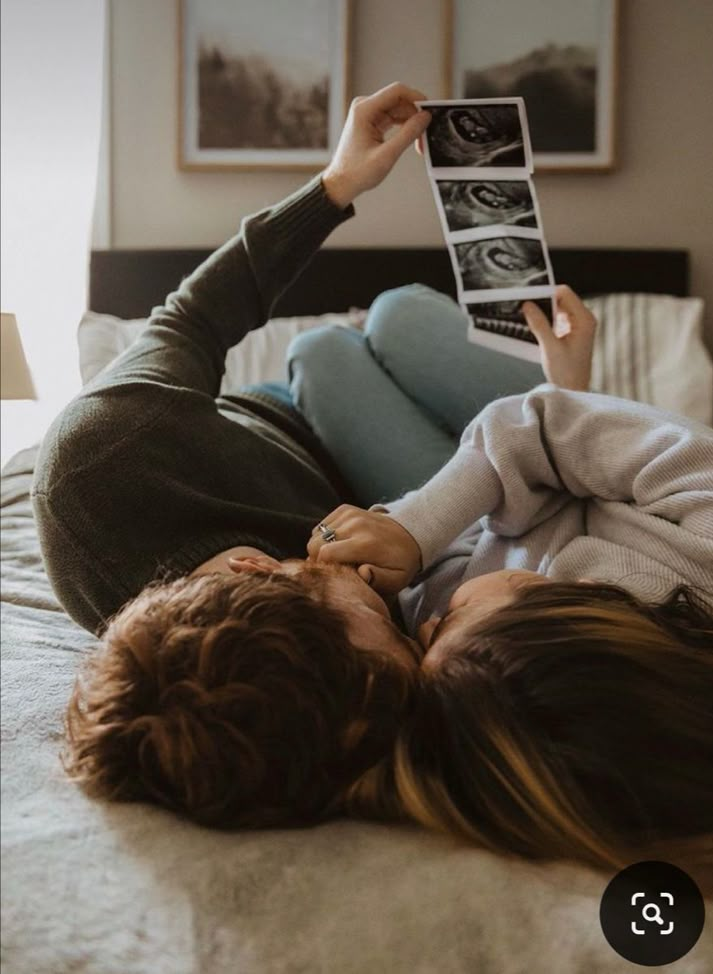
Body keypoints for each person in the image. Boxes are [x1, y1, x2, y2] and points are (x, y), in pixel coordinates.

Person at [33, 83, 433, 830]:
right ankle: (572, 402)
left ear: (255, 568)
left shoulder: (106, 457)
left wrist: (338, 183)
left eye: (378, 620)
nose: (401, 622)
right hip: (374, 482)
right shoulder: (286, 683)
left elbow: (195, 314)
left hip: (303, 414)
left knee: (349, 339)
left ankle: (577, 406)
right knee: (405, 333)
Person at [298, 284, 713, 898]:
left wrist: (390, 553)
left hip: (513, 483)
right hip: (546, 435)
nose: (424, 629)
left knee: (319, 357)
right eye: (447, 624)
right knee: (399, 313)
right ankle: (571, 387)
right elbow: (543, 426)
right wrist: (412, 529)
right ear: (570, 592)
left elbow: (444, 571)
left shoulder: (520, 708)